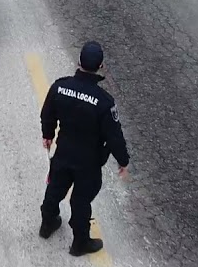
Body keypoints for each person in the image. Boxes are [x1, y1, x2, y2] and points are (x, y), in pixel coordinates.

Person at [38, 41, 130, 256]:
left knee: (55, 189)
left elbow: (47, 113)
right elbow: (114, 136)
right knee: (80, 201)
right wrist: (123, 161)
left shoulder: (59, 86)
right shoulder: (104, 102)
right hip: (88, 162)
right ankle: (80, 243)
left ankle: (47, 223)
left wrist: (48, 135)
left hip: (63, 153)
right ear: (101, 66)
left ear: (79, 62)